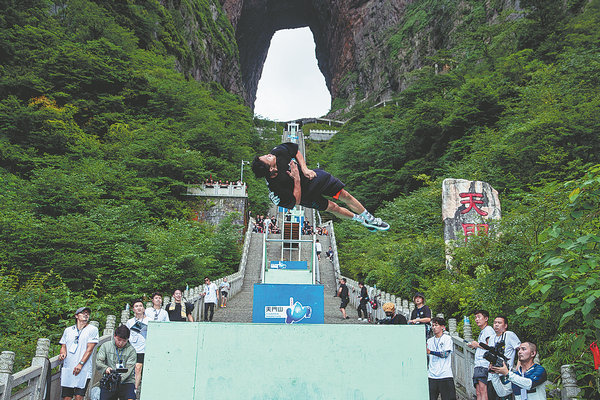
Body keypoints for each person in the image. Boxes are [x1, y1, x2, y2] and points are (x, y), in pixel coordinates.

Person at [251, 142, 389, 231]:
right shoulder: (275, 189)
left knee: (344, 195)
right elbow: (295, 202)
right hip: (306, 196)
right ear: (270, 170)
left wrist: (304, 169)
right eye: (267, 158)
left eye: (266, 155)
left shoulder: (277, 152)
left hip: (313, 178)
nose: (269, 154)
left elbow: (295, 151)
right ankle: (360, 220)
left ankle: (370, 218)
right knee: (333, 207)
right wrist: (297, 179)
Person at [59, 307, 100, 400]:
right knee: (67, 397)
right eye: (83, 313)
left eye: (87, 313)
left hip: (84, 368)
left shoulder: (92, 329)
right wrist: (63, 353)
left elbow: (90, 349)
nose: (86, 315)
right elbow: (63, 345)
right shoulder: (68, 330)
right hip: (69, 366)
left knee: (79, 396)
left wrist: (80, 364)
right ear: (76, 316)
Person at [96, 325, 137, 400]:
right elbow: (99, 362)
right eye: (119, 339)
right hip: (109, 380)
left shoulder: (132, 351)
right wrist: (106, 368)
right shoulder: (105, 346)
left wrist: (118, 378)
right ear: (114, 336)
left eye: (124, 341)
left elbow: (129, 369)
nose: (121, 343)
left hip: (126, 381)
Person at [487, 316, 521, 400]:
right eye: (495, 323)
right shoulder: (492, 338)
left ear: (505, 325)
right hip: (494, 374)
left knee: (505, 397)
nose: (496, 325)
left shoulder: (509, 335)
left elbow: (520, 349)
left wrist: (518, 365)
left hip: (505, 373)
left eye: (499, 323)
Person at [467, 310, 495, 400]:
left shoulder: (488, 330)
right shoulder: (483, 331)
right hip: (478, 364)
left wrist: (477, 345)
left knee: (483, 391)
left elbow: (491, 347)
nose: (476, 319)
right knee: (478, 391)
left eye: (479, 317)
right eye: (475, 317)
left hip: (484, 364)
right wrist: (475, 346)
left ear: (486, 318)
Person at [427, 317, 457, 400]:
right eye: (432, 325)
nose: (434, 327)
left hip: (445, 374)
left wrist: (431, 352)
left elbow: (445, 354)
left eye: (436, 325)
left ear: (442, 327)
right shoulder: (429, 341)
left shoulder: (447, 339)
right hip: (432, 375)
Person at [126, 299, 148, 393]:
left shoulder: (149, 320)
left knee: (138, 368)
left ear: (144, 308)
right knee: (130, 368)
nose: (139, 308)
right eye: (136, 306)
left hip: (143, 348)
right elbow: (126, 335)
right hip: (131, 348)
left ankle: (134, 389)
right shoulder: (130, 322)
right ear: (133, 309)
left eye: (140, 306)